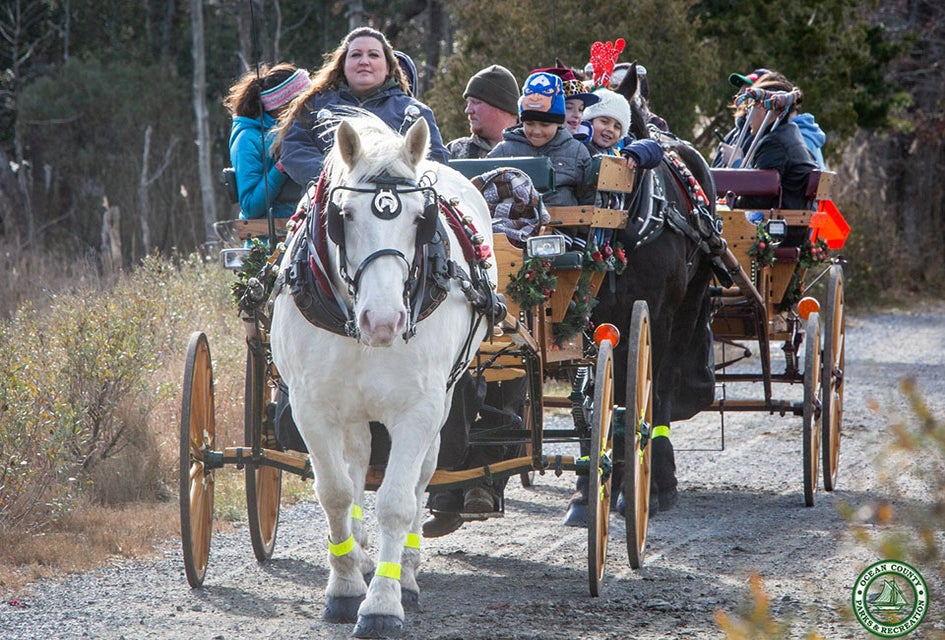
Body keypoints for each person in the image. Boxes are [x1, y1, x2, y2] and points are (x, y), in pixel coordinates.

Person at [273, 27, 449, 188]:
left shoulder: (415, 113)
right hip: (325, 206)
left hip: (402, 207)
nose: (364, 61)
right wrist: (335, 177)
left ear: (388, 67)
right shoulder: (314, 106)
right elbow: (294, 149)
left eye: (373, 55)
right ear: (343, 64)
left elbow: (436, 159)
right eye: (356, 55)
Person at [488, 71, 594, 208]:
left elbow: (588, 197)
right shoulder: (503, 151)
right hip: (512, 225)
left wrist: (582, 228)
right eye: (530, 124)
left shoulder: (576, 152)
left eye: (545, 125)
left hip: (562, 227)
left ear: (558, 123)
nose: (537, 131)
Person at [224, 63, 311, 222]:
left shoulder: (305, 131)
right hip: (270, 240)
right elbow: (250, 207)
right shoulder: (247, 138)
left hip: (308, 234)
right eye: (305, 100)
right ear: (285, 105)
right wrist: (280, 168)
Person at [737, 73, 820, 211]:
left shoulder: (774, 144)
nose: (746, 115)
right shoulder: (790, 134)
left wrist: (729, 202)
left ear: (766, 108)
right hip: (793, 223)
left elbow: (757, 200)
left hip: (781, 226)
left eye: (750, 107)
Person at [446, 64, 521, 159]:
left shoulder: (532, 149)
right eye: (468, 103)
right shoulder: (455, 151)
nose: (468, 110)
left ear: (501, 106)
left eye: (476, 102)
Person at [580, 88, 663, 169]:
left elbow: (654, 148)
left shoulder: (622, 145)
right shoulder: (578, 139)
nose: (610, 129)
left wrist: (635, 152)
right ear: (590, 121)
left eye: (617, 127)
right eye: (604, 122)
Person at [529, 66, 599, 136]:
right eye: (568, 107)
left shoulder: (581, 145)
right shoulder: (520, 142)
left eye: (581, 109)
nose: (577, 115)